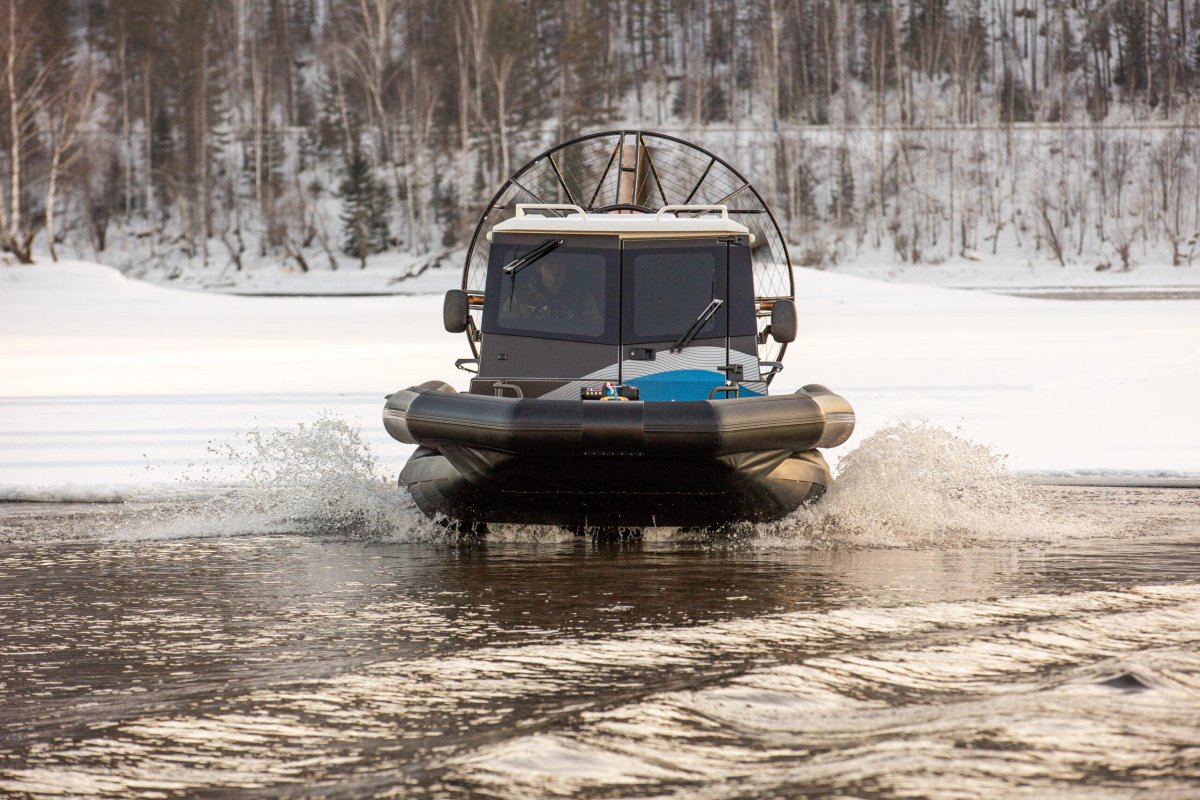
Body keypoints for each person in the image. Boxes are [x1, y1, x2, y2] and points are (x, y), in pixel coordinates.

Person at [508, 257, 602, 322]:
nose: (556, 268)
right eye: (550, 263)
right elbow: (508, 327)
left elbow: (594, 327)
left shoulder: (584, 299)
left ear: (566, 267)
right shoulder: (518, 298)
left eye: (560, 263)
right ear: (539, 267)